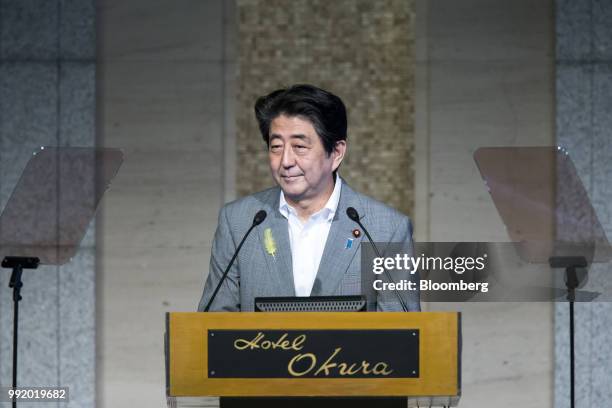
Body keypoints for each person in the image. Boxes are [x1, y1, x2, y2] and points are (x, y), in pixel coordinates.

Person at [198, 84, 419, 312]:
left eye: (299, 147)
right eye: (276, 146)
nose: (285, 161)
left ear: (336, 153)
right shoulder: (239, 222)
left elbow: (402, 330)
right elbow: (214, 323)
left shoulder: (385, 229)